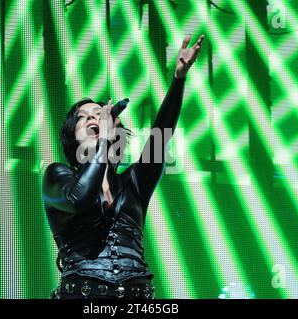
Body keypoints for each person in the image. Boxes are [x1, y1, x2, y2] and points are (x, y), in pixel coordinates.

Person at [42, 34, 204, 299]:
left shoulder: (133, 183)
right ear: (73, 136)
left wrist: (178, 79)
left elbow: (161, 136)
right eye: (84, 118)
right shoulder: (57, 175)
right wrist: (104, 140)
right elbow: (81, 198)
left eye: (99, 114)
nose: (94, 118)